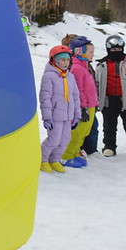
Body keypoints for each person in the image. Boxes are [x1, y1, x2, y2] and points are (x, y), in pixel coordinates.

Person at [39, 45, 81, 173]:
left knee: (64, 140)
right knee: (54, 139)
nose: (65, 63)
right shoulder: (49, 76)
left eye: (67, 60)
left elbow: (75, 96)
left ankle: (54, 159)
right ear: (54, 60)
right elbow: (45, 98)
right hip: (55, 115)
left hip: (68, 116)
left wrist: (77, 114)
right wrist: (47, 117)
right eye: (62, 60)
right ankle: (43, 159)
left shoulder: (70, 76)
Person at [61, 36, 99, 167]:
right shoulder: (77, 68)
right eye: (90, 52)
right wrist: (82, 107)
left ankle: (75, 153)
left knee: (85, 132)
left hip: (91, 105)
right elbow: (78, 90)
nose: (92, 55)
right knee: (77, 133)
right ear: (79, 52)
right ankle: (65, 156)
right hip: (83, 107)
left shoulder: (86, 67)